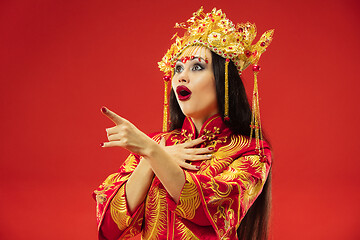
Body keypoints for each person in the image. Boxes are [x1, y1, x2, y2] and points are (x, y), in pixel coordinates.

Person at [93, 7, 274, 240]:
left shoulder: (251, 151)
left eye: (196, 67)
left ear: (223, 79)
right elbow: (110, 227)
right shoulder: (158, 143)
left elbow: (207, 210)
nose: (181, 76)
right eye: (178, 68)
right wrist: (150, 159)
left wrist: (153, 153)